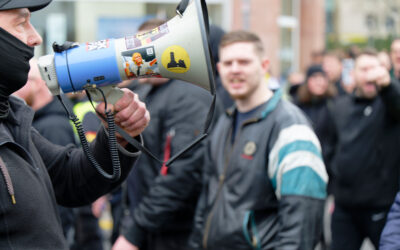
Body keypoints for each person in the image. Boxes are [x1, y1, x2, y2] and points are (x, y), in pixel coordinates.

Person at [0, 1, 150, 249]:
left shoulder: (10, 116)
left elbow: (71, 177)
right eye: (21, 23)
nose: (35, 37)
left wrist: (119, 136)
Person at [189, 30, 328, 249]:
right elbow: (206, 203)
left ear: (264, 66)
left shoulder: (291, 128)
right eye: (228, 63)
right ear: (218, 69)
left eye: (244, 62)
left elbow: (301, 223)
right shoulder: (223, 122)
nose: (235, 69)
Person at [111, 19, 214, 250]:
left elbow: (181, 174)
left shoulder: (189, 97)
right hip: (146, 228)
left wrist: (134, 233)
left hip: (174, 235)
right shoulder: (145, 91)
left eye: (145, 50)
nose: (136, 60)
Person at [326, 50, 400, 250]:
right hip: (344, 208)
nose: (369, 75)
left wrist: (387, 85)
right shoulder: (340, 107)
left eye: (374, 68)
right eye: (364, 69)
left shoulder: (388, 105)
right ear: (353, 74)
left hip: (382, 206)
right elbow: (331, 149)